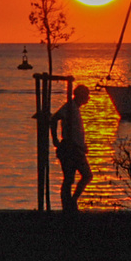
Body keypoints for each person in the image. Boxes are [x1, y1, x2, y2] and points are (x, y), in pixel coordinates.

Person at [50, 83, 93, 211]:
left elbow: (76, 131)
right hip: (71, 149)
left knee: (72, 178)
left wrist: (83, 145)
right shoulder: (69, 107)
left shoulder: (75, 108)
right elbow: (54, 119)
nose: (88, 98)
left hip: (77, 148)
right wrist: (55, 139)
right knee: (81, 176)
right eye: (86, 95)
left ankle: (71, 203)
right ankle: (70, 203)